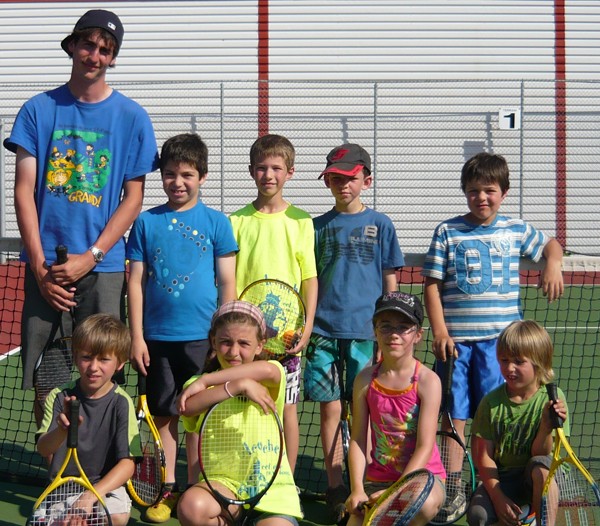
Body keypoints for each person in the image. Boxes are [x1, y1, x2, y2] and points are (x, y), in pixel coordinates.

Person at [3, 9, 159, 425]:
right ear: (72, 46)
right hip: (47, 270)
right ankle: (54, 458)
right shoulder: (37, 110)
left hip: (102, 269)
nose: (95, 55)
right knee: (48, 380)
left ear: (113, 58)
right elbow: (23, 191)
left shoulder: (133, 117)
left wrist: (91, 256)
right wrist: (40, 269)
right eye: (88, 45)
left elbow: (133, 198)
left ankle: (101, 459)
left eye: (105, 50)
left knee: (102, 376)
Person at [421, 152, 564, 516]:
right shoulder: (447, 231)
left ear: (504, 192)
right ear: (464, 192)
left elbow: (552, 245)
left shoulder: (515, 229)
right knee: (454, 414)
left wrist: (553, 263)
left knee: (495, 414)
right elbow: (432, 285)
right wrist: (439, 330)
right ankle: (454, 483)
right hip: (455, 346)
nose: (481, 197)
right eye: (473, 190)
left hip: (499, 348)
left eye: (489, 190)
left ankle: (496, 481)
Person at [126, 133, 238, 522]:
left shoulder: (218, 223)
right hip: (156, 339)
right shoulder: (145, 222)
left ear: (202, 176)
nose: (178, 182)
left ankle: (197, 487)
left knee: (198, 414)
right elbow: (135, 282)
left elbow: (227, 283)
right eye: (170, 174)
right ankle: (167, 487)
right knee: (163, 415)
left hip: (202, 340)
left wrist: (222, 338)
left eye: (187, 175)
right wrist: (137, 337)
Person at [303, 143, 404, 521]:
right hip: (323, 334)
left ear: (367, 180)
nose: (342, 184)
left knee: (366, 410)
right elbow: (309, 279)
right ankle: (335, 486)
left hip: (366, 334)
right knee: (330, 410)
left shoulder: (382, 224)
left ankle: (367, 481)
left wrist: (387, 332)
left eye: (349, 178)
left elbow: (390, 282)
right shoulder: (315, 227)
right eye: (334, 178)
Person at [229, 134, 318, 475]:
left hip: (287, 340)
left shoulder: (301, 221)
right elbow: (231, 280)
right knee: (244, 407)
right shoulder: (236, 221)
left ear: (290, 172)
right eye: (262, 168)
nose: (269, 175)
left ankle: (287, 481)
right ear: (251, 170)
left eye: (277, 168)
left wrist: (306, 328)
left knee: (286, 411)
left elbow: (309, 279)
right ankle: (244, 474)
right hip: (246, 340)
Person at [176, 300, 303, 526]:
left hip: (272, 491)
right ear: (213, 342)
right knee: (191, 507)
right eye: (225, 342)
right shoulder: (196, 385)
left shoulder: (272, 372)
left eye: (244, 343)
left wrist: (208, 379)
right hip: (223, 486)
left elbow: (267, 370)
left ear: (260, 346)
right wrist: (236, 386)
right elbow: (187, 407)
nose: (234, 352)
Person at [345, 291, 446, 526]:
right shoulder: (364, 380)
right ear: (375, 330)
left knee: (422, 504)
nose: (394, 334)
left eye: (403, 327)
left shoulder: (428, 381)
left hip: (422, 479)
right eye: (386, 326)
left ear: (418, 334)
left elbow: (425, 446)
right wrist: (357, 489)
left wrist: (396, 492)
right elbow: (358, 439)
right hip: (378, 481)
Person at [36, 314, 142, 526]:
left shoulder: (121, 402)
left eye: (104, 359)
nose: (93, 367)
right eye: (86, 357)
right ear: (75, 357)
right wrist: (62, 429)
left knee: (116, 515)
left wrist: (88, 498)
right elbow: (43, 449)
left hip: (104, 487)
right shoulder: (59, 396)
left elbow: (127, 464)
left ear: (120, 363)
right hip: (63, 488)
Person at [467, 320, 568, 526]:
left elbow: (541, 454)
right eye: (504, 360)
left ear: (539, 362)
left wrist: (546, 427)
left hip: (541, 475)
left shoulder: (552, 398)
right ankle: (522, 514)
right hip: (505, 478)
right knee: (478, 515)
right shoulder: (491, 403)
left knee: (542, 468)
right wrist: (498, 499)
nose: (509, 368)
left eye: (519, 361)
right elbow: (484, 457)